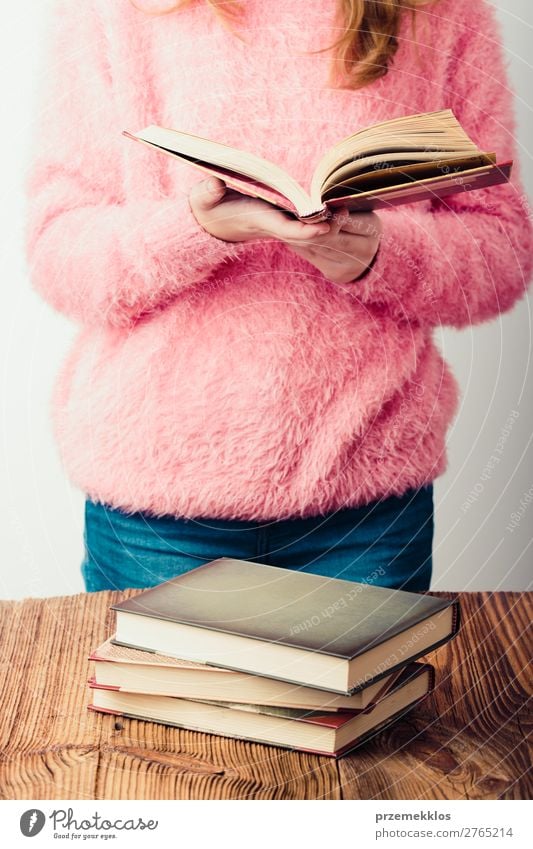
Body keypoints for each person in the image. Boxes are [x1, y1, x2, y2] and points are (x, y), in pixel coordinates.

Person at [24, 0, 532, 593]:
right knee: (174, 692)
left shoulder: (444, 10)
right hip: (154, 511)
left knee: (359, 691)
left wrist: (379, 255)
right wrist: (196, 231)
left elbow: (501, 249)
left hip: (368, 510)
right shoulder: (112, 11)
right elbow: (59, 249)